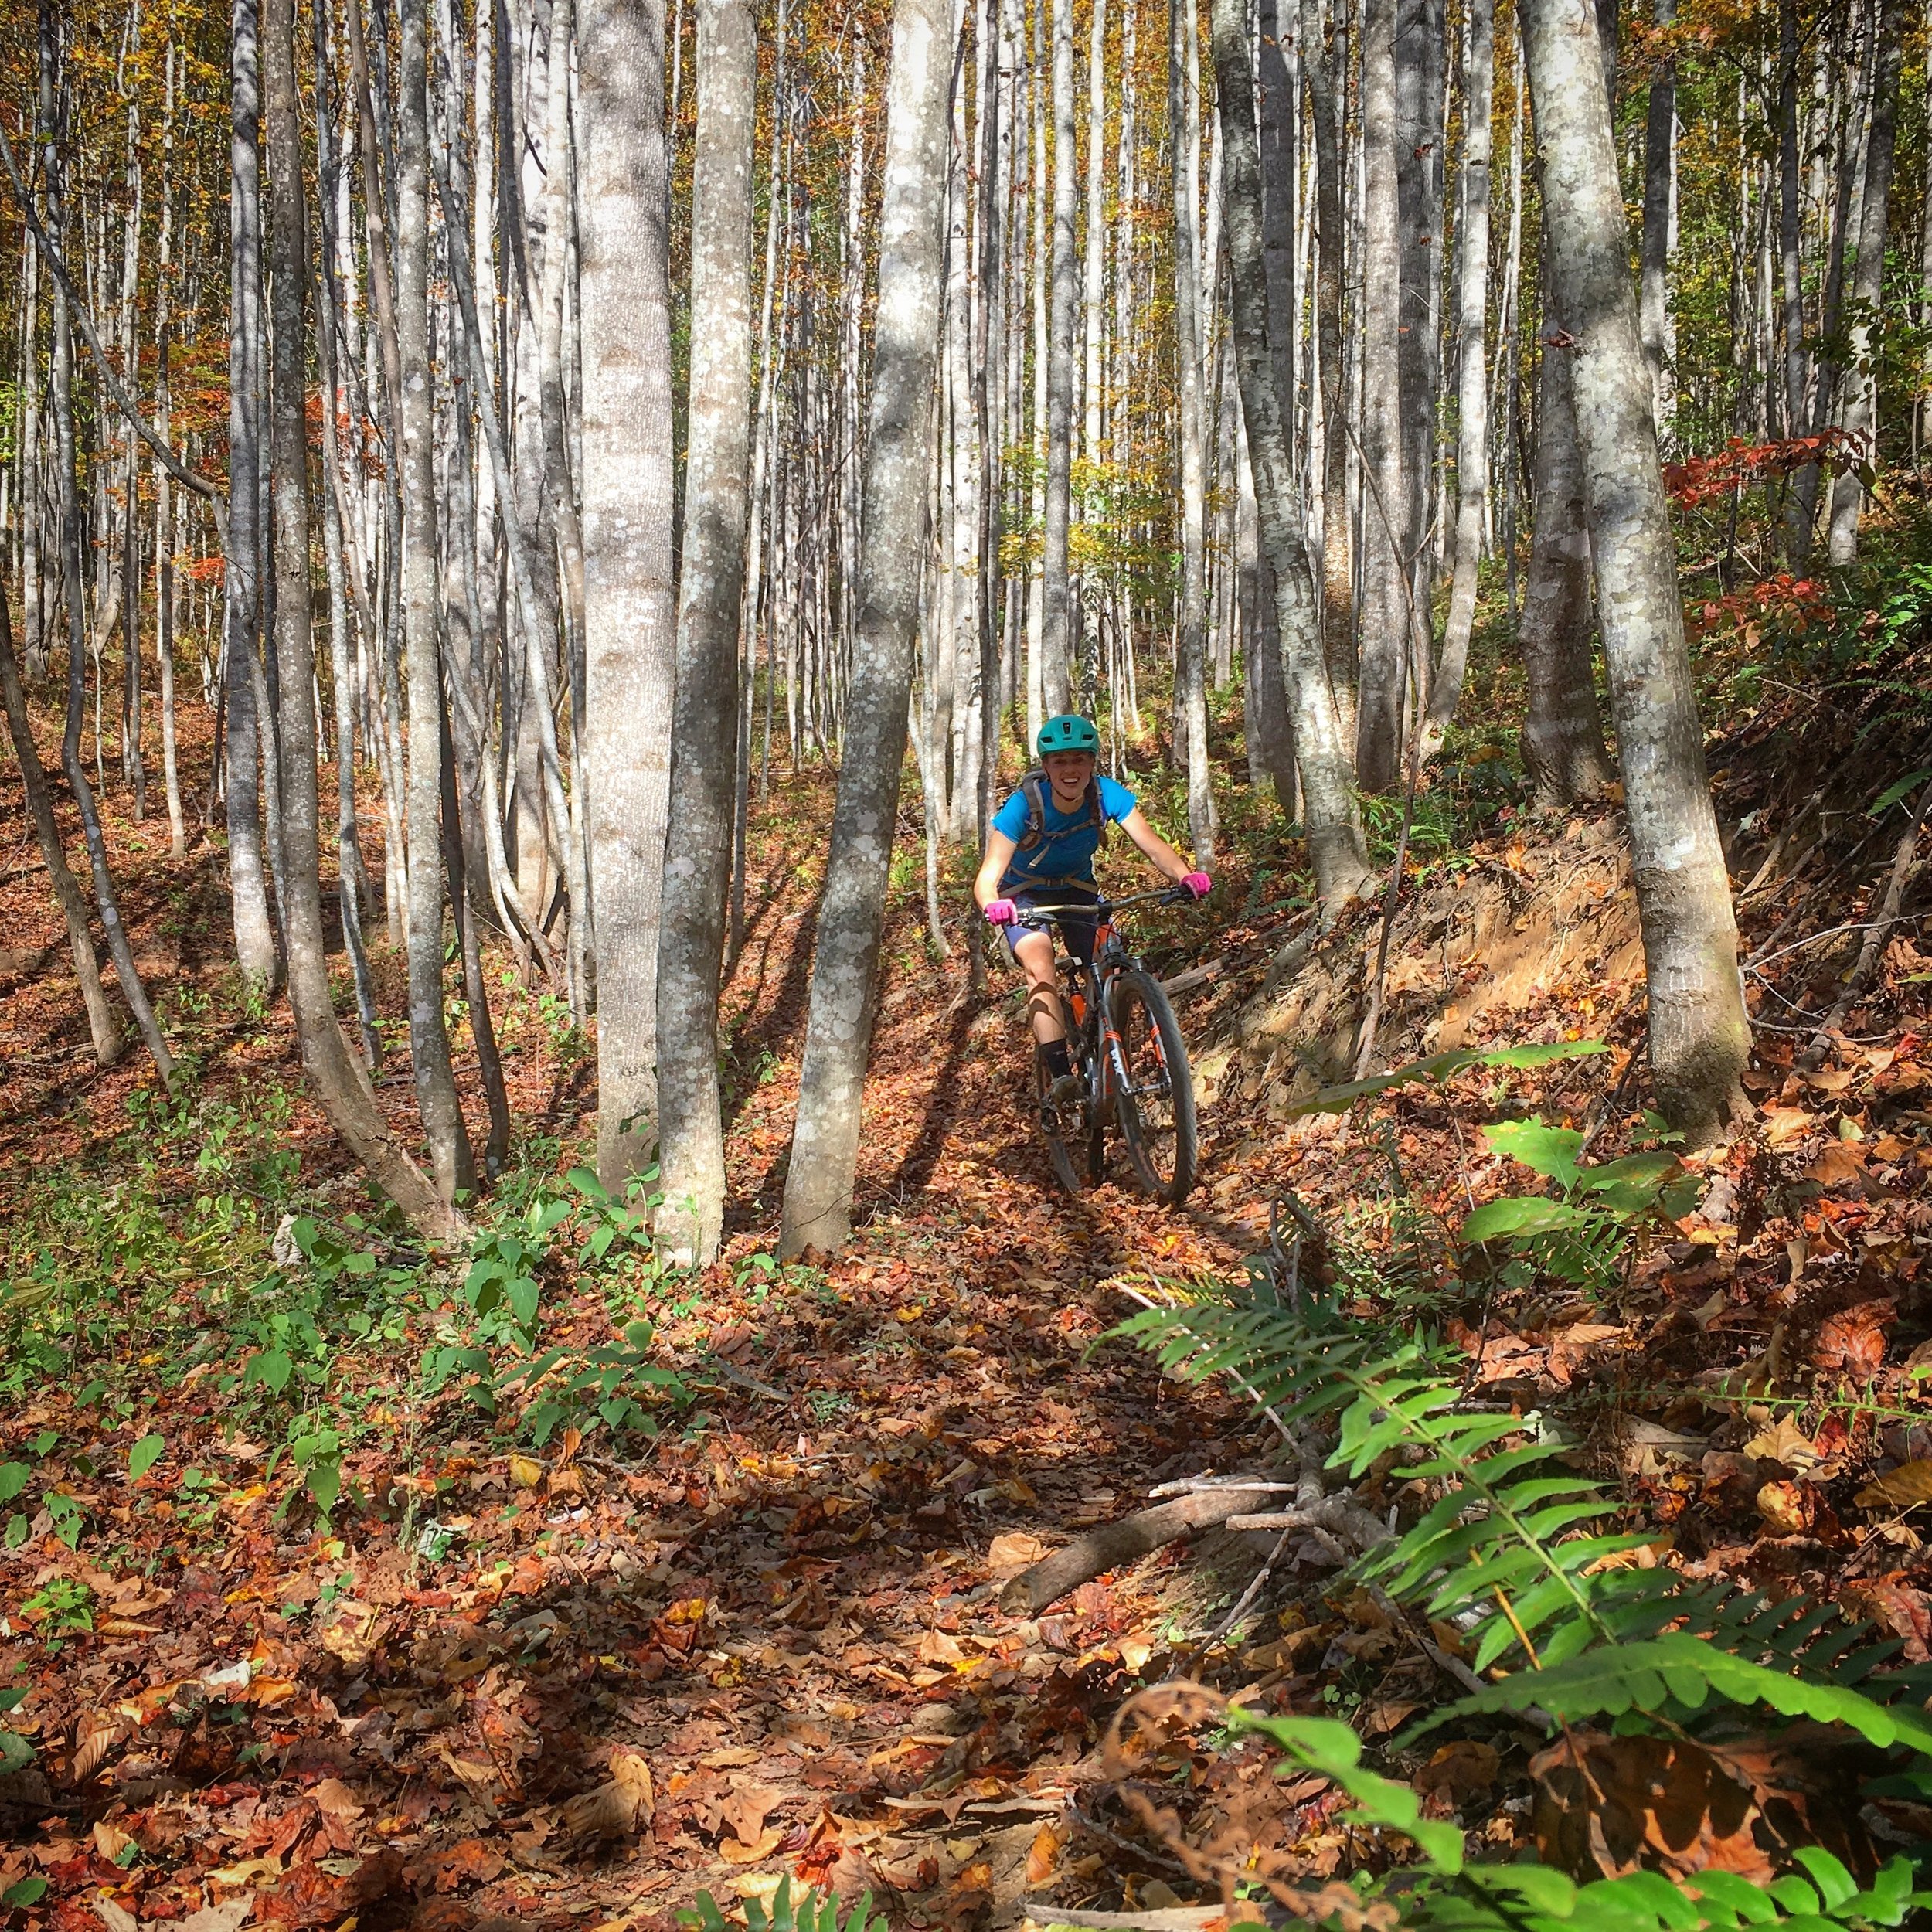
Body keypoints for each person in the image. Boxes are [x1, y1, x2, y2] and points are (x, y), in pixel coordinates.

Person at [972, 715, 1210, 1102]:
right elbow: (986, 879)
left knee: (1111, 958)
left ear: (1092, 762)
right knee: (1040, 962)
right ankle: (1062, 1073)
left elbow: (1152, 845)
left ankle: (1111, 1047)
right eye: (1060, 761)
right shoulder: (1022, 808)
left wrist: (1185, 876)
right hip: (1023, 898)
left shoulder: (1106, 795)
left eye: (1080, 760)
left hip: (1079, 892)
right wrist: (994, 904)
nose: (1071, 770)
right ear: (1046, 767)